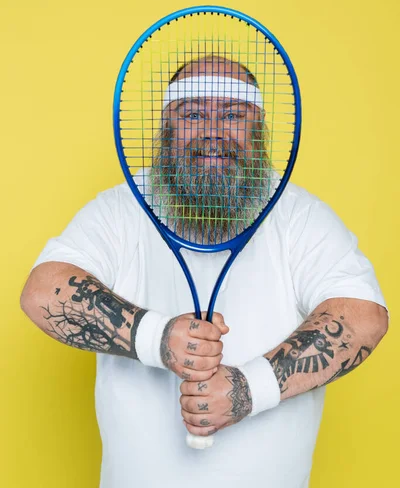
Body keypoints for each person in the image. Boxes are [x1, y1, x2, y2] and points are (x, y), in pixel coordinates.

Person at [21, 55, 388, 488]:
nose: (213, 131)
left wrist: (248, 389)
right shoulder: (120, 209)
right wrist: (158, 339)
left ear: (259, 128)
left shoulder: (300, 216)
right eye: (193, 113)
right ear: (166, 127)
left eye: (234, 113)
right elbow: (42, 292)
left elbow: (364, 317)